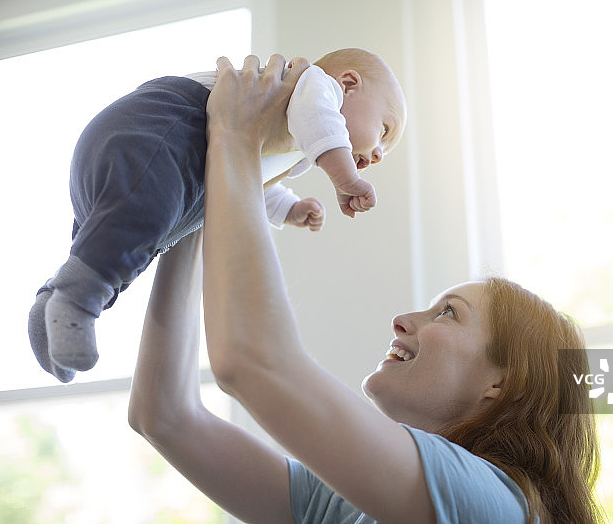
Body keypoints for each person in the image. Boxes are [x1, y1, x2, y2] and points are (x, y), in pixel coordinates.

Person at [128, 55, 605, 524]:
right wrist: (200, 192)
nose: (401, 321)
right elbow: (163, 416)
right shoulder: (346, 507)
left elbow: (254, 363)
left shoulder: (496, 506)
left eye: (448, 313)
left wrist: (234, 138)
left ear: (501, 382)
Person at [27, 47, 407, 383]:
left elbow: (251, 177)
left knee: (126, 252)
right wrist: (345, 179)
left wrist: (288, 208)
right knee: (139, 218)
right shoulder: (313, 85)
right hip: (164, 125)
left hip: (148, 165)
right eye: (384, 132)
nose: (378, 155)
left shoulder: (292, 142)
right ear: (349, 84)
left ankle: (54, 303)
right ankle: (76, 302)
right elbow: (322, 124)